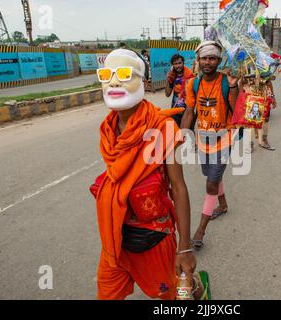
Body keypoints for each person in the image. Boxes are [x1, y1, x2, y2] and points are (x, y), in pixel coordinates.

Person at [94, 49, 209, 300]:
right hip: (115, 237)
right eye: (106, 75)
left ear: (143, 83)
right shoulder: (107, 129)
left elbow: (178, 187)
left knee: (174, 298)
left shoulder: (163, 127)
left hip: (153, 237)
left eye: (124, 74)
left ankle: (197, 288)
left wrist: (185, 247)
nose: (114, 81)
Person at [181, 41, 239, 250]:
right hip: (203, 141)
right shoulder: (193, 84)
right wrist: (182, 136)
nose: (208, 62)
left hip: (224, 141)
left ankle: (200, 230)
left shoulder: (226, 81)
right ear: (199, 60)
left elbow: (236, 108)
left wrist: (233, 86)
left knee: (211, 184)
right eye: (204, 58)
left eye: (212, 58)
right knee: (212, 177)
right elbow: (189, 112)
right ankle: (222, 205)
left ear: (218, 60)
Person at [165, 54, 195, 126]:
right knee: (175, 133)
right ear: (172, 65)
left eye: (180, 63)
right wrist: (168, 80)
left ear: (183, 63)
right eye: (175, 64)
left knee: (187, 133)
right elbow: (167, 94)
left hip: (187, 111)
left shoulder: (190, 75)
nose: (178, 66)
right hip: (175, 110)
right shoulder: (172, 76)